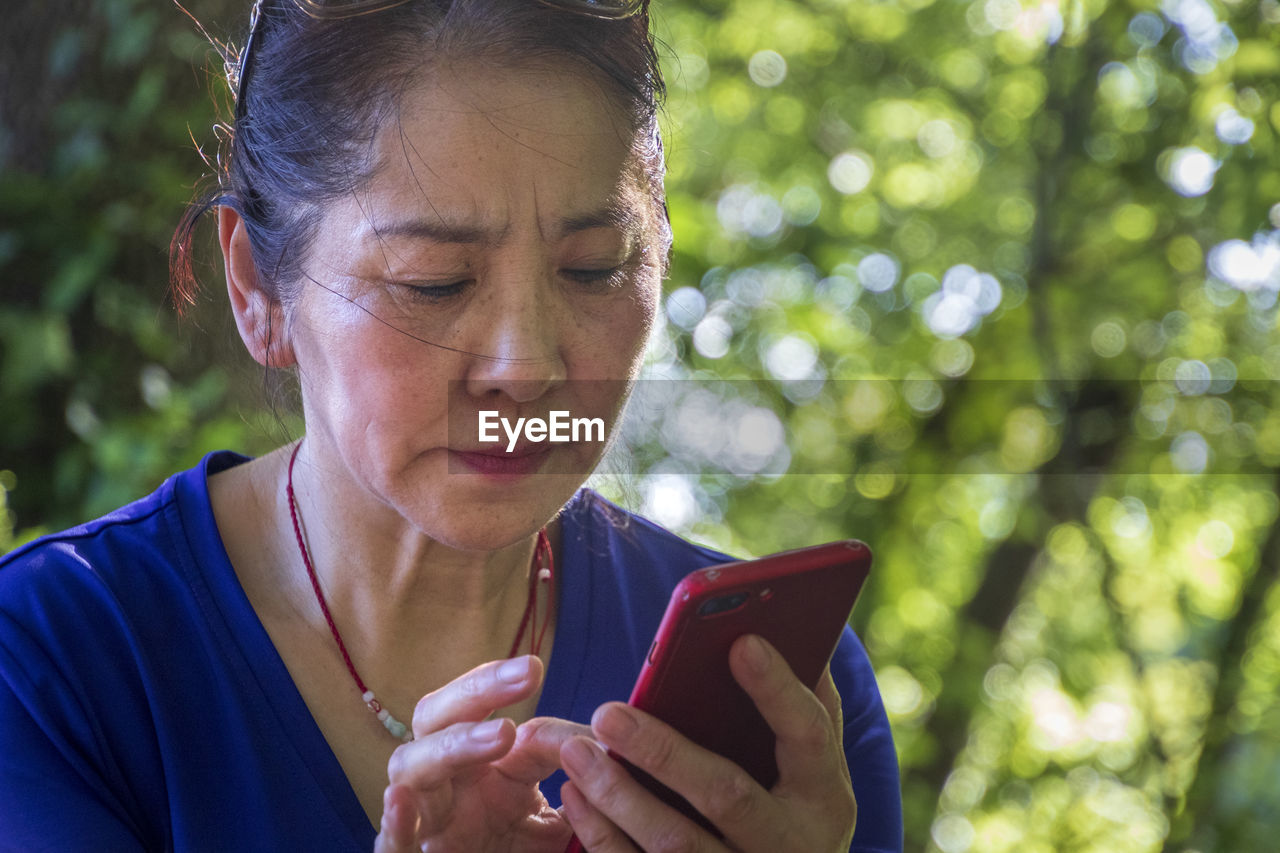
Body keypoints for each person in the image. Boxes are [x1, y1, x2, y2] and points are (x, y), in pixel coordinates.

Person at [0, 0, 903, 850]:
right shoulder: (49, 663)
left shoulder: (781, 696)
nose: (527, 368)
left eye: (593, 269)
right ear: (257, 289)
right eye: (434, 281)